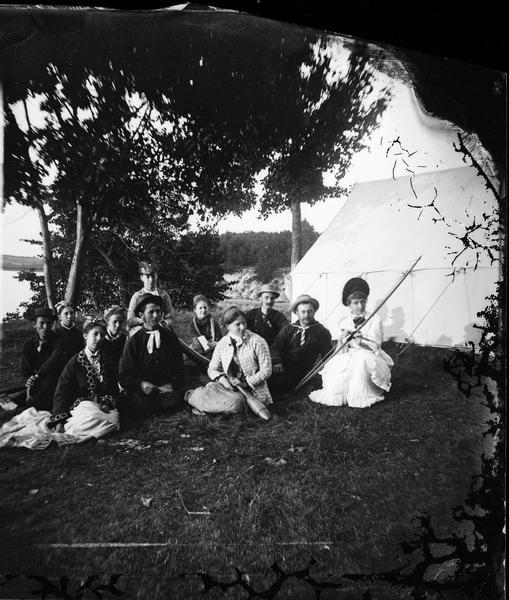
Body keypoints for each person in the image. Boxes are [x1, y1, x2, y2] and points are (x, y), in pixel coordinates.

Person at [309, 278, 394, 408]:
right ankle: (340, 394)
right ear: (348, 304)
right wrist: (341, 341)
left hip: (369, 354)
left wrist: (362, 342)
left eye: (363, 302)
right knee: (335, 368)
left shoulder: (374, 319)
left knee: (361, 359)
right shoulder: (344, 322)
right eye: (355, 303)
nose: (360, 306)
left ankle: (360, 396)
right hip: (349, 354)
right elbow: (341, 351)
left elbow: (376, 346)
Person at [185, 306, 272, 415]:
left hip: (252, 391)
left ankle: (198, 403)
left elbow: (267, 371)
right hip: (228, 387)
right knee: (212, 386)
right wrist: (221, 379)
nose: (243, 327)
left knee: (237, 403)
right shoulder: (222, 344)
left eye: (244, 323)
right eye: (237, 324)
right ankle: (195, 398)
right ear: (227, 326)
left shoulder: (258, 341)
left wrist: (246, 383)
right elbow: (212, 369)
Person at [47, 320, 120, 438]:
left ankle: (88, 429)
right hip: (84, 406)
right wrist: (59, 422)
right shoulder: (75, 362)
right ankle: (73, 428)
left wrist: (107, 403)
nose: (99, 338)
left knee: (113, 420)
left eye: (102, 335)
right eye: (95, 334)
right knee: (93, 416)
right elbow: (62, 392)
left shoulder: (108, 360)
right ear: (85, 336)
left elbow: (113, 387)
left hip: (104, 407)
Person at [119, 293, 185, 417]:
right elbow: (124, 376)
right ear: (141, 315)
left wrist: (171, 384)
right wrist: (141, 383)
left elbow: (179, 368)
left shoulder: (170, 337)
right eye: (151, 312)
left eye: (158, 311)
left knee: (178, 397)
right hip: (144, 390)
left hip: (167, 388)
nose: (156, 315)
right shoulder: (134, 342)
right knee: (138, 402)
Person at [269, 294, 332, 393]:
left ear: (314, 312)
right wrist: (277, 363)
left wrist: (327, 372)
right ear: (297, 313)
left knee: (281, 385)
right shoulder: (288, 329)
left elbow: (328, 355)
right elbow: (276, 347)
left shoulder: (321, 331)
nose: (306, 315)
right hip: (284, 366)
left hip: (303, 371)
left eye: (309, 311)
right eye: (303, 312)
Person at [15, 307, 64, 411]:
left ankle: (34, 404)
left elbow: (52, 363)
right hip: (35, 383)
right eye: (41, 323)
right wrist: (28, 379)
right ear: (34, 324)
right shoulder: (29, 345)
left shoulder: (59, 342)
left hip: (53, 382)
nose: (45, 327)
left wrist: (37, 376)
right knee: (19, 398)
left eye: (49, 323)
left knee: (49, 382)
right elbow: (25, 369)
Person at [126, 261, 173, 334]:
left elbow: (170, 317)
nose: (151, 279)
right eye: (147, 276)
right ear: (142, 278)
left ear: (156, 276)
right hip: (141, 331)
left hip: (160, 329)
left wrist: (164, 323)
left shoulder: (164, 295)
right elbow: (130, 321)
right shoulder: (137, 296)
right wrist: (144, 320)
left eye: (153, 276)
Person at [188, 295, 221, 359]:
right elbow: (198, 344)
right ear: (195, 310)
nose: (203, 310)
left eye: (205, 307)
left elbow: (219, 340)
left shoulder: (214, 323)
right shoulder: (192, 325)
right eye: (200, 308)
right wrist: (210, 343)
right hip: (200, 352)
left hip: (215, 351)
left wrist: (215, 343)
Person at [102, 305, 127, 385]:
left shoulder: (124, 339)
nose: (118, 325)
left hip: (118, 377)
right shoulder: (100, 337)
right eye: (114, 322)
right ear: (107, 321)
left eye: (120, 322)